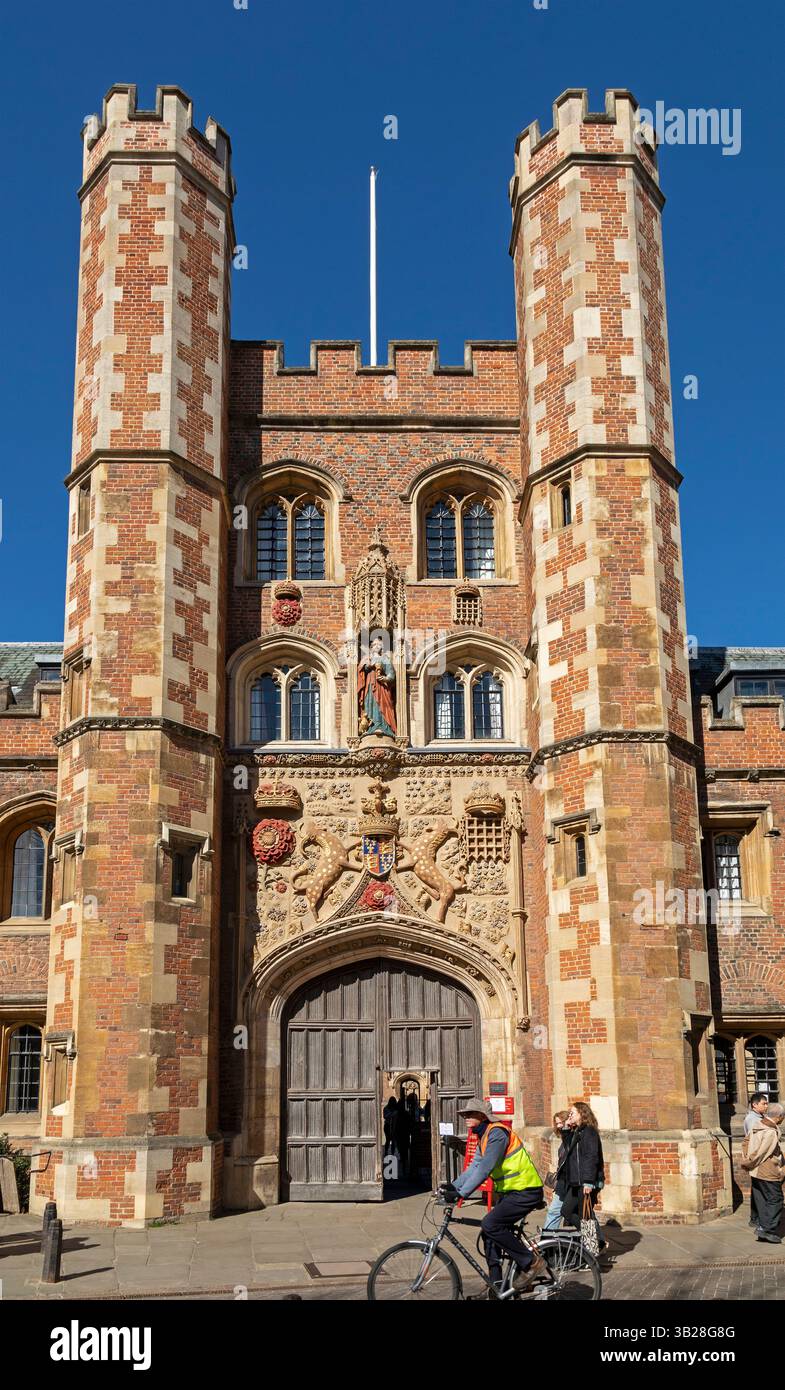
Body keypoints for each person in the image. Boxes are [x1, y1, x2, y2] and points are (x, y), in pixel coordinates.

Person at [440, 1099, 546, 1295]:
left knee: (490, 1224)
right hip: (511, 1192)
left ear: (482, 1116)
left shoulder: (497, 1133)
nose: (466, 1118)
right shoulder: (484, 1136)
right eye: (464, 1115)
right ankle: (498, 1285)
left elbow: (485, 1168)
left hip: (526, 1191)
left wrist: (462, 1194)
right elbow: (474, 1166)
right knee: (488, 1234)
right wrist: (452, 1186)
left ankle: (532, 1262)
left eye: (470, 1114)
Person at [558, 1101, 606, 1250]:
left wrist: (588, 1182)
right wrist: (566, 1126)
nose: (570, 1115)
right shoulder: (578, 1131)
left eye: (572, 1112)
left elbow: (591, 1157)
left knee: (584, 1215)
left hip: (584, 1182)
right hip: (575, 1182)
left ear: (582, 1113)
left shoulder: (589, 1131)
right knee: (566, 1211)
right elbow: (568, 1148)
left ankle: (592, 1247)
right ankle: (595, 1241)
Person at [742, 1101, 785, 1244]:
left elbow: (745, 1142)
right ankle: (766, 1230)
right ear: (779, 1116)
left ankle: (762, 1226)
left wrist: (748, 1161)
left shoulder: (758, 1125)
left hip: (756, 1171)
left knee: (762, 1199)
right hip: (767, 1170)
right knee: (776, 1199)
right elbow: (762, 1152)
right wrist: (749, 1162)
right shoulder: (770, 1131)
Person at [543, 1110, 571, 1231]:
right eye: (557, 1123)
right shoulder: (565, 1139)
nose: (558, 1126)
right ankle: (547, 1239)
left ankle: (546, 1241)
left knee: (554, 1212)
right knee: (582, 1215)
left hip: (569, 1183)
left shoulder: (572, 1138)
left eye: (561, 1123)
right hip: (564, 1182)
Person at [745, 1093, 770, 1228]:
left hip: (758, 1158)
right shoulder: (752, 1120)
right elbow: (755, 1140)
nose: (766, 1106)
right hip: (757, 1158)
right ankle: (759, 1218)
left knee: (757, 1188)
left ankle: (754, 1218)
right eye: (763, 1103)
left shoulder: (760, 1117)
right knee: (760, 1189)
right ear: (754, 1105)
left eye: (766, 1103)